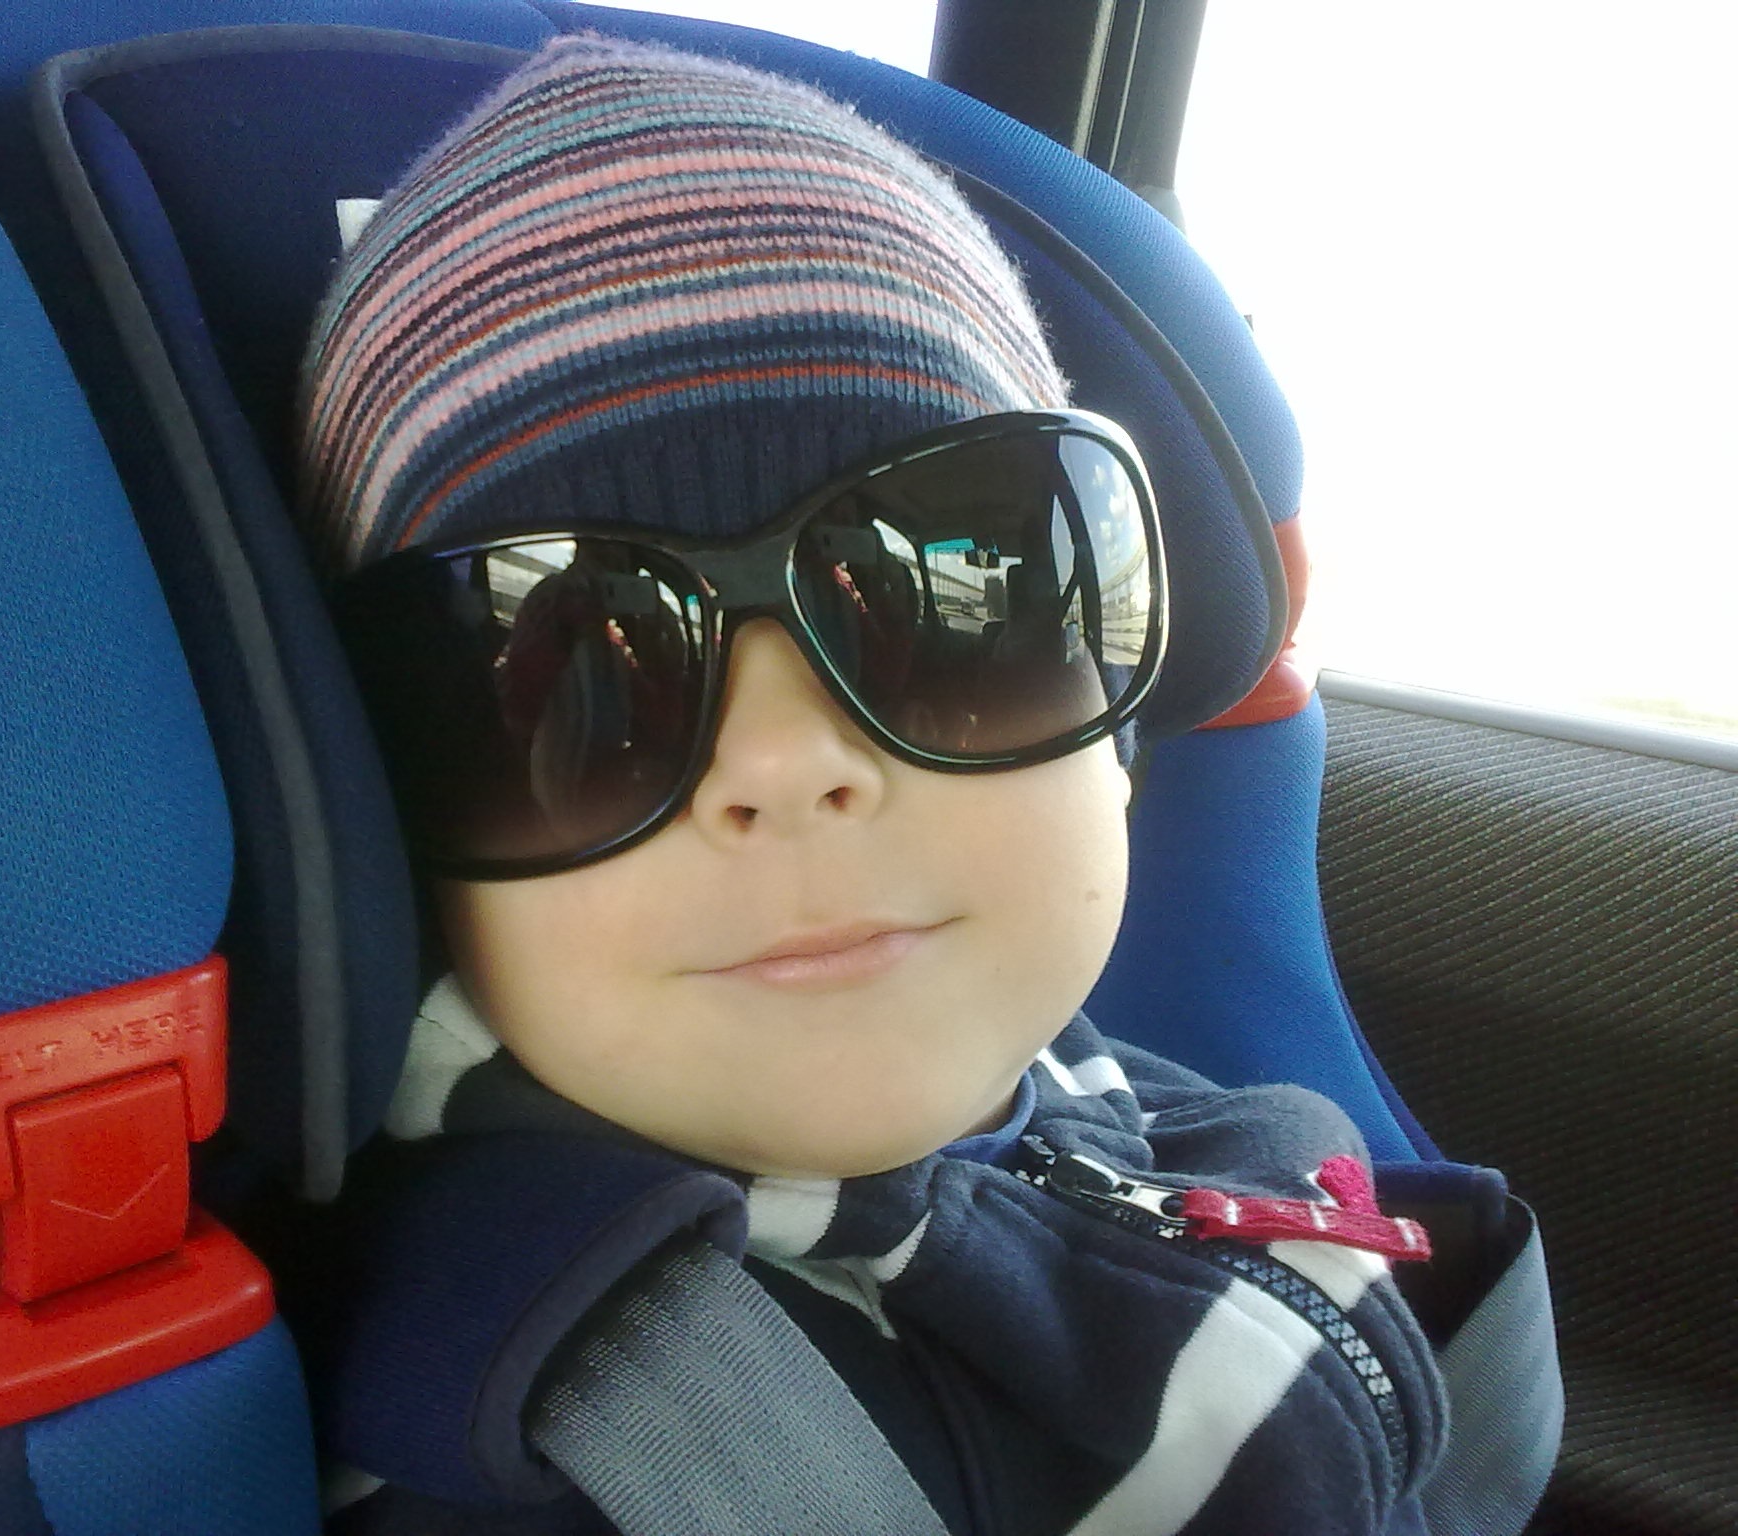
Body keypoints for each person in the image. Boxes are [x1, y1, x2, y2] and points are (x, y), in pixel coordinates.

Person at [296, 34, 1447, 1535]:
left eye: (947, 623)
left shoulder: (1135, 1104)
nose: (788, 762)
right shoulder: (525, 1452)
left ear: (1114, 727)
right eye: (596, 691)